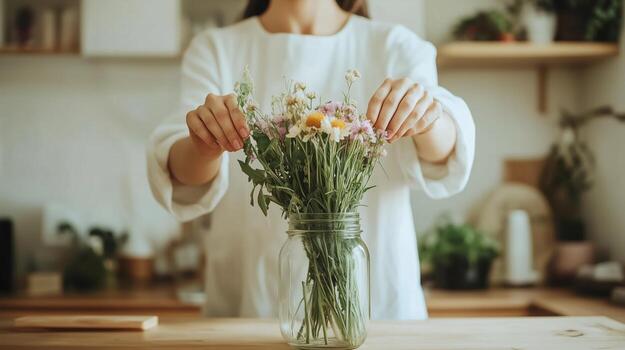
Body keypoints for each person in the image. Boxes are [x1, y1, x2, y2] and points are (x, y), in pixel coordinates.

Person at [147, 0, 475, 320]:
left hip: (379, 311)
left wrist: (427, 117)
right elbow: (184, 176)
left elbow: (446, 151)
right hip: (252, 311)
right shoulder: (215, 48)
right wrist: (204, 145)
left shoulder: (396, 45)